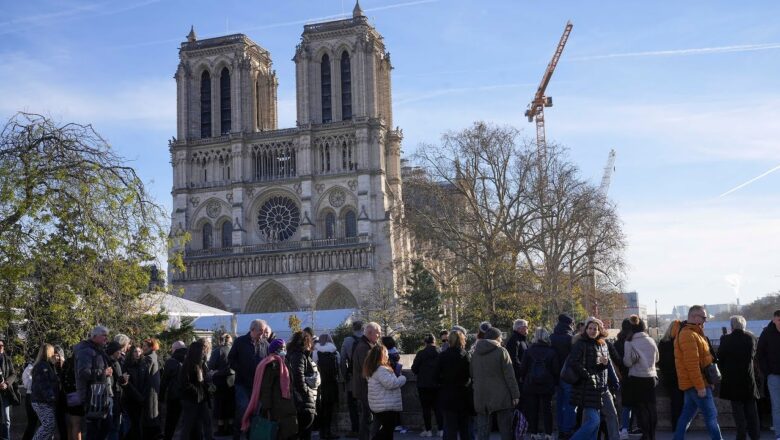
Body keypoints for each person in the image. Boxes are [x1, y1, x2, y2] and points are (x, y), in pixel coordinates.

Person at [672, 305, 722, 440]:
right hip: (697, 383)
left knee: (687, 415)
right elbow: (692, 365)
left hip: (694, 383)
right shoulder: (689, 334)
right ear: (694, 317)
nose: (706, 320)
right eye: (704, 317)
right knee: (711, 416)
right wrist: (700, 386)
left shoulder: (691, 333)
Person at [568, 317, 619, 440]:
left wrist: (604, 364)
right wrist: (587, 375)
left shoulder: (603, 344)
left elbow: (605, 366)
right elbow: (574, 363)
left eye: (595, 329)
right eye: (590, 328)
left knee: (610, 415)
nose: (592, 331)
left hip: (602, 386)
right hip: (588, 387)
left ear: (599, 330)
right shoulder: (581, 344)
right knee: (593, 421)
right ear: (585, 329)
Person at [241, 338, 298, 439]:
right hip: (276, 407)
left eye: (284, 348)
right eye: (281, 348)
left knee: (288, 432)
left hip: (286, 405)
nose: (283, 350)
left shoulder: (284, 362)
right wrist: (266, 407)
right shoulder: (270, 364)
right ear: (274, 349)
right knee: (278, 433)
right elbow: (265, 388)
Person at [471, 325, 519, 440]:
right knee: (506, 429)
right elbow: (510, 376)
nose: (502, 339)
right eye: (500, 337)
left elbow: (472, 374)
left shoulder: (475, 353)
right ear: (496, 338)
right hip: (501, 395)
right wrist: (515, 394)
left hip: (481, 395)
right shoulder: (501, 351)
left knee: (483, 431)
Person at [229, 319, 271, 440]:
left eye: (263, 331)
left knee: (255, 412)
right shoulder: (240, 342)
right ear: (252, 329)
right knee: (243, 407)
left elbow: (269, 360)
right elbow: (231, 359)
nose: (262, 334)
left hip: (257, 385)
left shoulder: (265, 344)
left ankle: (250, 436)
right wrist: (241, 369)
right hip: (242, 383)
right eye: (260, 331)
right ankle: (236, 435)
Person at [720, 315, 760, 440]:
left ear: (731, 326)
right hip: (748, 379)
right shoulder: (751, 338)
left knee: (738, 413)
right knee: (752, 412)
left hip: (732, 380)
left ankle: (741, 436)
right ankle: (755, 436)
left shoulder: (725, 339)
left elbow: (720, 358)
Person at [518, 328, 559, 440]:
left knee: (533, 409)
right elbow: (556, 370)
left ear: (535, 337)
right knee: (547, 409)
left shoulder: (528, 351)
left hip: (531, 384)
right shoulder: (552, 352)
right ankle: (548, 434)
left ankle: (534, 433)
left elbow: (522, 369)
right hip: (547, 384)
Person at [622, 316, 659, 440]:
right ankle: (652, 435)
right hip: (652, 377)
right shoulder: (651, 340)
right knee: (651, 407)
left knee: (640, 408)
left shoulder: (629, 342)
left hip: (637, 378)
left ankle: (646, 435)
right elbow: (657, 359)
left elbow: (627, 362)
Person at [74, 325, 113, 440]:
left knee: (106, 426)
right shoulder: (85, 351)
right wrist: (102, 372)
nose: (106, 338)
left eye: (107, 336)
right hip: (91, 397)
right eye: (104, 336)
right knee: (94, 431)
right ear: (94, 336)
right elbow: (83, 373)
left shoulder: (98, 350)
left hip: (101, 396)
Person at [435, 329, 471, 440]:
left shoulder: (442, 356)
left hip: (447, 394)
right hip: (463, 395)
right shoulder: (465, 355)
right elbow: (470, 374)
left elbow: (435, 376)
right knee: (465, 429)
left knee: (450, 429)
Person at [366, 344, 407, 440]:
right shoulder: (381, 369)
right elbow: (391, 384)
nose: (388, 356)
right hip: (386, 406)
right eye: (387, 354)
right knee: (387, 431)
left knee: (386, 430)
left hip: (380, 404)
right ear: (383, 355)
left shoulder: (373, 368)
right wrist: (402, 378)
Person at [177, 340, 212, 440]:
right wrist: (198, 392)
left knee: (205, 423)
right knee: (187, 426)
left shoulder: (200, 363)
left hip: (201, 399)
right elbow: (185, 384)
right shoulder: (188, 365)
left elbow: (201, 381)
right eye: (203, 350)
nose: (204, 352)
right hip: (191, 400)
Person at [288, 331, 320, 440]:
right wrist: (307, 393)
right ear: (307, 341)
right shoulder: (299, 355)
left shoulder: (299, 354)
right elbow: (298, 377)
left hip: (304, 400)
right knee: (303, 433)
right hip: (303, 402)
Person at [353, 322, 381, 440]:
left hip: (365, 388)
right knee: (368, 418)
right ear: (370, 333)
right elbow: (368, 370)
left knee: (368, 418)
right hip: (365, 389)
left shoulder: (366, 345)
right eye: (378, 333)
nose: (379, 336)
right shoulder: (364, 347)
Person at [412, 334, 443, 437]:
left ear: (425, 342)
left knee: (426, 408)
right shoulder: (440, 352)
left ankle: (428, 430)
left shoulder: (421, 353)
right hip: (438, 384)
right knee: (438, 408)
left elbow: (414, 369)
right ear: (435, 341)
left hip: (423, 384)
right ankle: (441, 429)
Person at [550, 314, 575, 440]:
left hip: (554, 375)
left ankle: (560, 429)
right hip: (568, 374)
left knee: (559, 403)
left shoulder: (551, 337)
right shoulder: (570, 338)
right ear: (570, 324)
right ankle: (567, 430)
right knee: (570, 403)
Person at [757, 309, 780, 440]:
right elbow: (760, 354)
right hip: (774, 376)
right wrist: (768, 371)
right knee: (777, 406)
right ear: (774, 320)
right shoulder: (767, 333)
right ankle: (779, 434)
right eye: (779, 320)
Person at [340, 320, 364, 437]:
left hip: (352, 378)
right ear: (362, 328)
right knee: (367, 403)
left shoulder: (347, 341)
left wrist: (345, 376)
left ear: (352, 328)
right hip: (367, 377)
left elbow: (342, 360)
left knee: (352, 405)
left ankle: (355, 429)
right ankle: (368, 427)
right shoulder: (368, 339)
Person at [657, 322, 683, 430]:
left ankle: (676, 425)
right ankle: (679, 426)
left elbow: (660, 361)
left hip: (668, 377)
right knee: (681, 402)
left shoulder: (662, 343)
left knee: (675, 402)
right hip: (678, 376)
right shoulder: (679, 342)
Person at [30, 343, 59, 440]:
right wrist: (52, 398)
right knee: (48, 425)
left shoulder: (46, 365)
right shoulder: (42, 366)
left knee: (50, 427)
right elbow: (44, 385)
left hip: (42, 400)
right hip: (42, 401)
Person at [314, 334, 340, 439]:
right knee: (330, 410)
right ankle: (329, 432)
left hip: (320, 384)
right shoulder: (335, 352)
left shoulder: (316, 352)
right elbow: (338, 367)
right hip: (332, 383)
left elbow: (313, 366)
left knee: (321, 409)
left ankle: (321, 432)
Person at [210, 333, 236, 437]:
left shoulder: (217, 351)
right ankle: (230, 427)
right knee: (231, 403)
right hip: (232, 379)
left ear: (220, 340)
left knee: (220, 404)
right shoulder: (234, 350)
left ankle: (221, 429)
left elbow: (211, 365)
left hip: (220, 380)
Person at [161, 341, 186, 440]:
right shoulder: (190, 358)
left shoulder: (171, 361)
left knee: (171, 420)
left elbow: (164, 380)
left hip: (174, 395)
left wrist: (161, 396)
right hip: (188, 395)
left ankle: (168, 437)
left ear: (175, 349)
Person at [614, 318, 633, 440]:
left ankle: (625, 428)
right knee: (638, 404)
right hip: (635, 375)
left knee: (626, 404)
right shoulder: (633, 340)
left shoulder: (617, 342)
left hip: (623, 376)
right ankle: (633, 426)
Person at [122, 346, 146, 440]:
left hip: (141, 399)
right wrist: (138, 396)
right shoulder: (127, 365)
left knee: (138, 423)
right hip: (130, 399)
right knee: (132, 423)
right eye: (135, 351)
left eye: (139, 351)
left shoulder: (143, 364)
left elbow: (146, 382)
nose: (138, 353)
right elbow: (127, 384)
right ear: (131, 353)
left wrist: (143, 396)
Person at [140, 338, 162, 438]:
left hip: (150, 390)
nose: (142, 348)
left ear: (150, 347)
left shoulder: (148, 358)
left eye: (144, 346)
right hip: (154, 389)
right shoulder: (154, 356)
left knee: (150, 414)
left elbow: (144, 375)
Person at [105, 341, 127, 440]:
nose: (120, 353)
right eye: (119, 351)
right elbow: (119, 379)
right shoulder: (110, 362)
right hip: (112, 398)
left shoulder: (114, 362)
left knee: (114, 427)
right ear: (114, 351)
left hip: (115, 398)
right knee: (113, 428)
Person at [60, 349, 83, 440]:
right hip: (76, 396)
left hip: (66, 395)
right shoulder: (79, 362)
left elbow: (62, 378)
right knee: (76, 425)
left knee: (70, 425)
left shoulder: (67, 362)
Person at [506, 319, 529, 389]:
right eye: (526, 326)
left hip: (523, 374)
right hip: (518, 376)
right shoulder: (514, 340)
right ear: (519, 328)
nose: (527, 328)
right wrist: (521, 372)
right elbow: (513, 358)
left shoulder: (522, 340)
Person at [22, 359, 39, 440]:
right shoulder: (30, 367)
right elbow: (27, 385)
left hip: (38, 397)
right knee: (32, 424)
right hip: (31, 396)